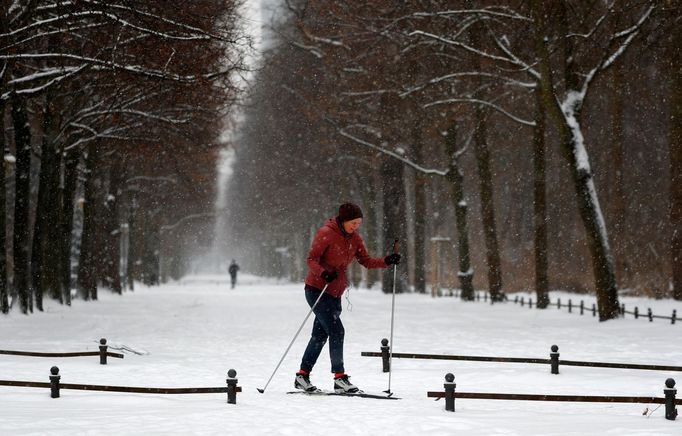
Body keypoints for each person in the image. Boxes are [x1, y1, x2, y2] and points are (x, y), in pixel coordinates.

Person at [294, 202, 401, 393]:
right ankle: (339, 378)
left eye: (358, 223)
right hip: (317, 290)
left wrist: (386, 261)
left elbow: (365, 261)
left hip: (335, 292)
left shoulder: (355, 239)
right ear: (343, 221)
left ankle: (302, 376)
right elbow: (311, 259)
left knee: (319, 336)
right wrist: (324, 272)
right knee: (337, 331)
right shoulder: (326, 233)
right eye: (353, 223)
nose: (356, 226)